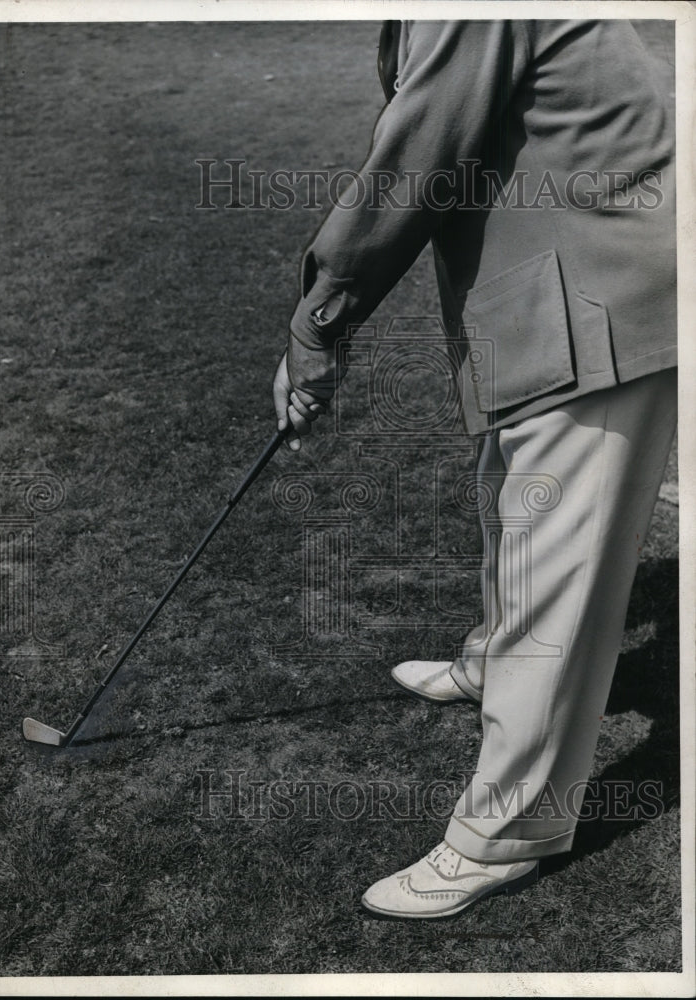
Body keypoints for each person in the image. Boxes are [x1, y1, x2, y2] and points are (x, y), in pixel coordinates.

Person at [272, 18, 677, 919]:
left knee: (553, 567)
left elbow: (418, 149)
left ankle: (506, 832)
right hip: (541, 279)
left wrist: (320, 322)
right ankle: (495, 664)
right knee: (510, 497)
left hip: (603, 281)